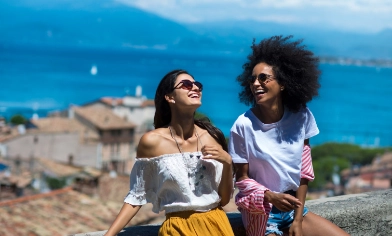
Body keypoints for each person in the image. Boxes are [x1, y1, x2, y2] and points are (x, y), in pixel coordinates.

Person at [228, 35, 349, 236]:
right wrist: (270, 196)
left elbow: (304, 171)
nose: (256, 83)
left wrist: (298, 219)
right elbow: (241, 179)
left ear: (283, 83)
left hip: (294, 209)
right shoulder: (242, 125)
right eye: (252, 79)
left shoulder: (302, 116)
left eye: (263, 78)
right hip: (261, 212)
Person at [105, 69, 235, 236]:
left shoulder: (212, 136)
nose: (195, 88)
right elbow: (136, 197)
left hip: (216, 226)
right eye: (187, 85)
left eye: (197, 85)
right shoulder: (152, 142)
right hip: (177, 229)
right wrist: (109, 235)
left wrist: (227, 162)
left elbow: (223, 200)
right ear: (170, 97)